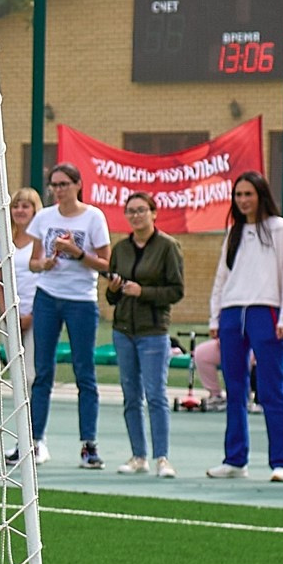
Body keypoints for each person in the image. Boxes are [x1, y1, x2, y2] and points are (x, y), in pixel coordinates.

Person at [204, 170, 283, 482]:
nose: (243, 201)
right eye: (238, 195)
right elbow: (222, 276)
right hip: (232, 314)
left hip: (267, 314)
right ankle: (235, 459)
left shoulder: (281, 229)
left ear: (261, 194)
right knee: (235, 389)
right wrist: (215, 317)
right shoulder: (234, 232)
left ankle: (282, 462)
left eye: (248, 194)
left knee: (272, 389)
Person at [26, 163, 110, 469]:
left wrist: (77, 253)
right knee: (42, 372)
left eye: (64, 184)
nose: (58, 190)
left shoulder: (93, 217)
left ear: (77, 184)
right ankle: (35, 441)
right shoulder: (44, 217)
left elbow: (104, 264)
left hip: (81, 300)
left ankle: (89, 445)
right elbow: (33, 262)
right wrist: (44, 264)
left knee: (84, 372)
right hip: (48, 296)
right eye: (54, 185)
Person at [99, 190, 183, 478]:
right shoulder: (120, 249)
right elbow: (112, 297)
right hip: (123, 330)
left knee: (156, 394)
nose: (135, 216)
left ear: (153, 213)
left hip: (153, 332)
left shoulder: (168, 246)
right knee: (130, 396)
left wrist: (143, 291)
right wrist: (113, 290)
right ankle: (138, 456)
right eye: (130, 211)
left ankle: (163, 458)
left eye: (141, 210)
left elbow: (176, 290)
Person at [0, 189, 42, 467]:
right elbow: (0, 280)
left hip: (37, 317)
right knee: (18, 381)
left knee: (33, 377)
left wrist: (31, 315)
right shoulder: (5, 241)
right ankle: (22, 439)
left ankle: (38, 440)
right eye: (16, 206)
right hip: (10, 319)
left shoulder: (41, 242)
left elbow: (45, 280)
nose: (21, 211)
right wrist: (7, 313)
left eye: (26, 206)